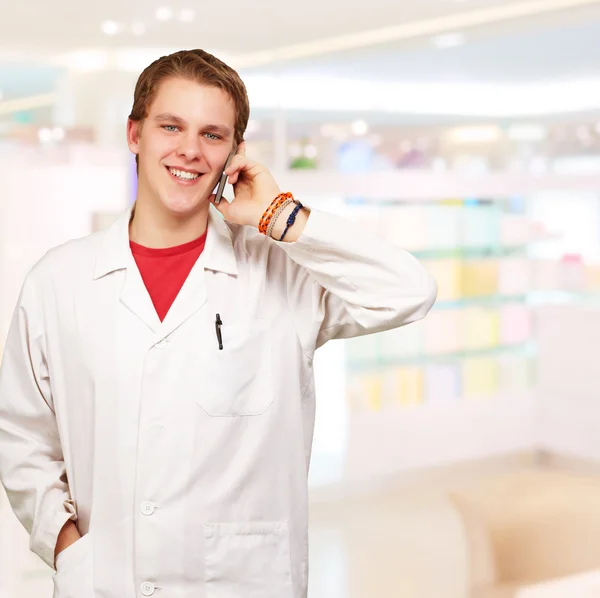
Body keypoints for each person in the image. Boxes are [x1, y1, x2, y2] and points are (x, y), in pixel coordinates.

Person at [0, 49, 437, 598]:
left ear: (236, 153)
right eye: (170, 126)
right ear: (134, 134)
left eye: (212, 134)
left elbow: (408, 291)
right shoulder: (59, 280)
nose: (189, 149)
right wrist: (66, 543)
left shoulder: (281, 273)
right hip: (106, 582)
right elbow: (21, 436)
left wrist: (279, 213)